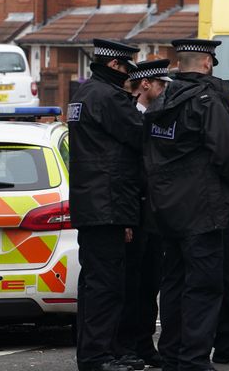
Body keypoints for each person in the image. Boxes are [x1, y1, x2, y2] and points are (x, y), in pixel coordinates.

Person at [143, 39, 229, 371]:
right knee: (204, 287)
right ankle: (192, 360)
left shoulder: (162, 101)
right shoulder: (207, 103)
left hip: (167, 210)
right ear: (206, 63)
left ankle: (173, 354)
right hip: (202, 210)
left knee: (174, 284)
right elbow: (228, 154)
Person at [68, 39, 142, 371]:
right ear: (115, 66)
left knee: (92, 284)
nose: (129, 76)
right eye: (127, 69)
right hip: (108, 202)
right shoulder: (110, 97)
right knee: (105, 286)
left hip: (92, 202)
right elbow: (140, 136)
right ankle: (97, 358)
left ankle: (95, 353)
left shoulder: (83, 93)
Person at [113, 60, 173, 369]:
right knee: (131, 284)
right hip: (133, 213)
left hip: (153, 215)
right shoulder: (128, 117)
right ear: (146, 85)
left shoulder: (154, 118)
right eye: (161, 84)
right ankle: (125, 345)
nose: (165, 90)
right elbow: (127, 171)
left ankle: (144, 343)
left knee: (150, 284)